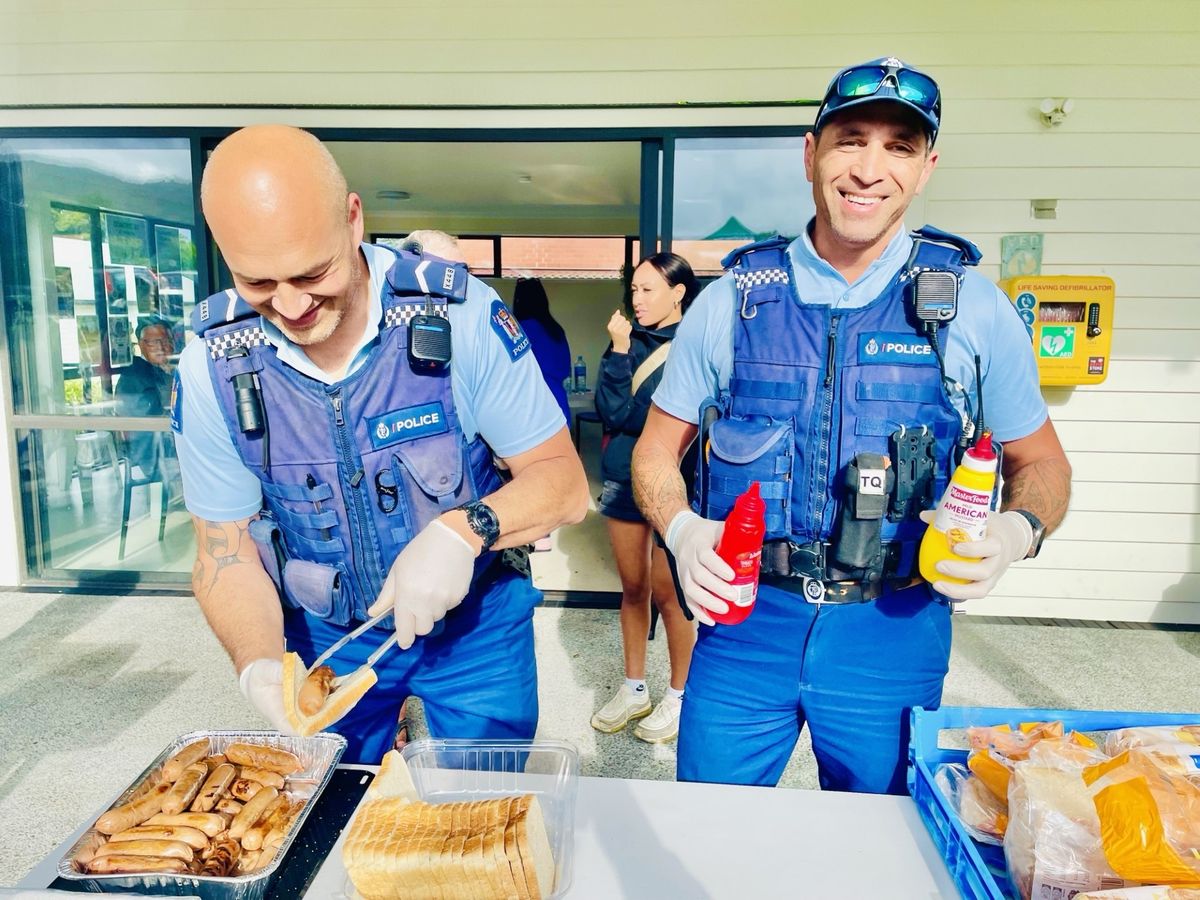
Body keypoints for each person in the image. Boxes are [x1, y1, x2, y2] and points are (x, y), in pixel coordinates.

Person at [632, 58, 1072, 792]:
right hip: (746, 624)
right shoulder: (734, 298)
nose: (870, 168)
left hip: (893, 630)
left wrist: (1015, 532)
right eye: (851, 139)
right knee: (708, 831)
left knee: (885, 846)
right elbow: (653, 454)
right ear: (811, 153)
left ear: (926, 168)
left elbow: (1045, 465)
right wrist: (681, 530)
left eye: (899, 146)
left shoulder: (971, 305)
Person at [173, 125, 589, 765]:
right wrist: (257, 666)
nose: (291, 305)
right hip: (324, 639)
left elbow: (563, 484)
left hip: (474, 629)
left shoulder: (458, 315)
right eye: (258, 283)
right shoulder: (214, 362)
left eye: (313, 271)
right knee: (335, 826)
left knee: (481, 815)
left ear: (354, 218)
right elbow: (221, 547)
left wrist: (465, 529)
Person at [590, 252, 699, 743]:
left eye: (648, 289)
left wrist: (635, 416)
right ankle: (635, 687)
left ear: (678, 293)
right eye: (633, 289)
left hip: (676, 482)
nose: (636, 299)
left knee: (671, 593)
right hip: (621, 480)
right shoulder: (623, 343)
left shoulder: (695, 345)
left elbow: (651, 420)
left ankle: (679, 694)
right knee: (633, 588)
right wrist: (617, 350)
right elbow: (610, 411)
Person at [115, 316, 175, 475]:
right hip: (154, 454)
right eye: (153, 343)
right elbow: (154, 415)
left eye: (165, 341)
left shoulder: (164, 369)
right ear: (141, 345)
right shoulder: (134, 375)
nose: (161, 347)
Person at [512, 277, 572, 428]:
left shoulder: (520, 330)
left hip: (533, 410)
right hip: (560, 404)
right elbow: (565, 370)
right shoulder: (556, 329)